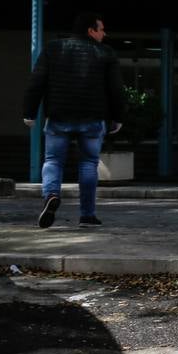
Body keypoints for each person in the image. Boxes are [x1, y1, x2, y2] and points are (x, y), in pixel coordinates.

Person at [21, 12, 126, 228]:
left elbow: (37, 81)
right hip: (93, 118)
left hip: (59, 116)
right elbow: (116, 88)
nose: (104, 33)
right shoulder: (106, 53)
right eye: (101, 29)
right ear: (90, 30)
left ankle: (51, 195)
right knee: (88, 164)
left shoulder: (53, 48)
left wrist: (29, 112)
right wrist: (118, 117)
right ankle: (87, 215)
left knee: (52, 161)